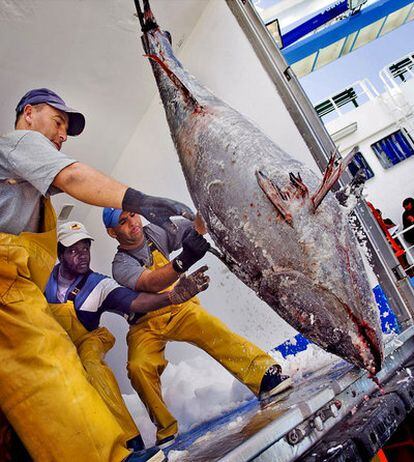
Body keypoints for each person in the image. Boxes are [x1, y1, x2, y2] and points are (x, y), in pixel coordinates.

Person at [0, 88, 195, 462]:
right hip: (8, 291)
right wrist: (138, 199)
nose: (62, 136)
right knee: (52, 364)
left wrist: (175, 288)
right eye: (57, 122)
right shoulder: (18, 142)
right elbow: (74, 176)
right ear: (28, 114)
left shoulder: (32, 189)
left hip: (18, 292)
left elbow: (128, 299)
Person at [103, 208, 293, 448]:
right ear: (112, 233)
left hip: (180, 309)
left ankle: (265, 376)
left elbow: (196, 227)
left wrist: (200, 212)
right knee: (138, 367)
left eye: (132, 215)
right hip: (145, 324)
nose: (132, 223)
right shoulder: (120, 265)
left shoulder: (157, 230)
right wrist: (184, 260)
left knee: (212, 329)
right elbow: (151, 282)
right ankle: (166, 430)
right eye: (123, 222)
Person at [44, 221, 209, 459]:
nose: (82, 256)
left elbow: (135, 301)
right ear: (60, 254)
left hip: (87, 341)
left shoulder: (99, 285)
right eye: (73, 250)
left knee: (93, 368)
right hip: (55, 346)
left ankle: (131, 444)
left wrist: (171, 296)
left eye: (85, 248)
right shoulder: (44, 278)